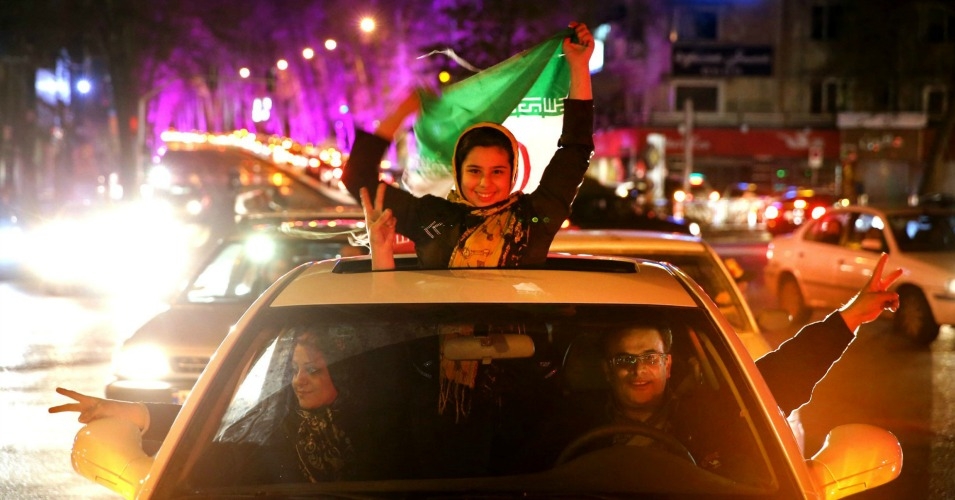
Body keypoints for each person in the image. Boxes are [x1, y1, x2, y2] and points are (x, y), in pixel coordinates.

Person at [564, 252, 903, 477]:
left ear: (668, 365)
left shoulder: (712, 415)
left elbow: (781, 377)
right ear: (608, 370)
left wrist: (849, 318)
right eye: (625, 360)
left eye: (650, 358)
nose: (639, 371)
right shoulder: (569, 427)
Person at [344, 22, 595, 269]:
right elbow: (358, 178)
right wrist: (400, 113)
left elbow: (576, 150)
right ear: (458, 171)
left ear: (512, 173)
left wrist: (579, 66)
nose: (485, 183)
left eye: (497, 171)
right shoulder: (431, 217)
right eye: (475, 171)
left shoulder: (534, 218)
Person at [50, 328, 359, 483]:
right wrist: (114, 409)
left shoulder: (375, 421)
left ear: (342, 372)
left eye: (313, 370)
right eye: (293, 371)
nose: (299, 381)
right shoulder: (272, 421)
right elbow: (202, 421)